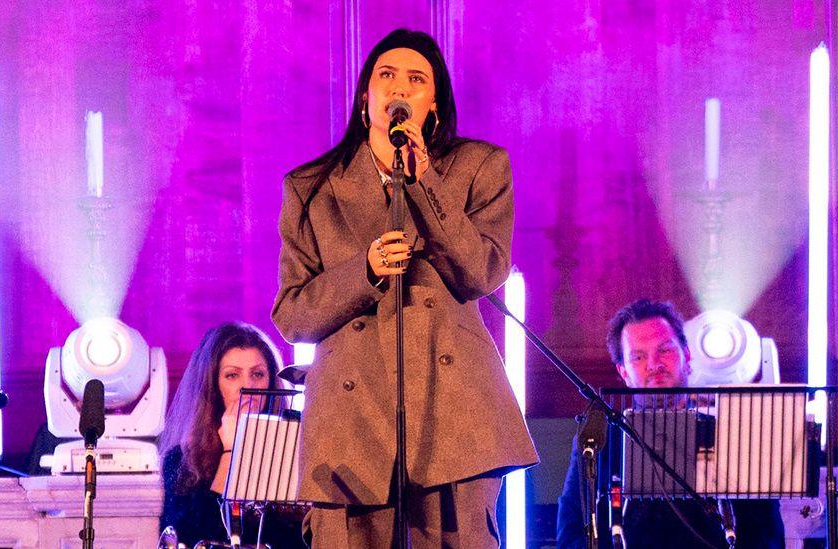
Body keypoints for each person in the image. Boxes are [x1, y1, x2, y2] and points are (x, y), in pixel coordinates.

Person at [271, 28, 538, 547]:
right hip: (351, 420)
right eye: (386, 76)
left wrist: (423, 182)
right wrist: (363, 272)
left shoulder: (479, 167)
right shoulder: (311, 188)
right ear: (365, 99)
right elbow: (292, 313)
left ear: (433, 103)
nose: (399, 88)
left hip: (455, 413)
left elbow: (482, 271)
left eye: (416, 80)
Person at [556, 299, 785, 548]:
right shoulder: (600, 441)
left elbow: (767, 533)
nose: (654, 364)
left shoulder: (730, 435)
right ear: (623, 373)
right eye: (638, 357)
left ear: (686, 356)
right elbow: (572, 531)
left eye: (664, 350)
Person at [157, 322, 304, 548]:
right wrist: (230, 450)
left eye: (258, 374)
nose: (247, 386)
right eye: (232, 375)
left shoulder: (296, 448)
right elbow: (200, 535)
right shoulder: (182, 460)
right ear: (212, 385)